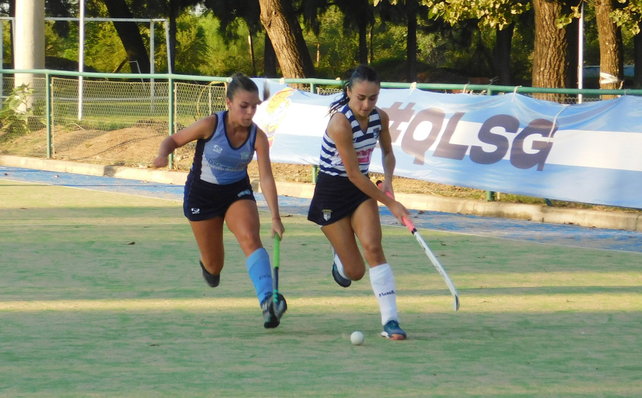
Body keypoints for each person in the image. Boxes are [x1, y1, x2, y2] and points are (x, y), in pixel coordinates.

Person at [153, 73, 287, 329]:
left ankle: (268, 300)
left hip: (236, 191)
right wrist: (162, 155)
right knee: (215, 266)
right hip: (202, 195)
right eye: (243, 106)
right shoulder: (210, 125)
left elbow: (267, 178)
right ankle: (209, 269)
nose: (249, 113)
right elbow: (173, 140)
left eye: (254, 107)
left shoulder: (257, 137)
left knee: (250, 236)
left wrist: (276, 217)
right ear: (228, 103)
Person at [307, 65, 411, 340]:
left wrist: (387, 180)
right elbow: (351, 173)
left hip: (361, 188)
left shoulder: (380, 119)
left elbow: (388, 153)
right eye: (361, 98)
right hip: (332, 191)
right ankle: (339, 256)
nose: (367, 104)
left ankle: (391, 322)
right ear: (349, 92)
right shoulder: (340, 123)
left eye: (373, 98)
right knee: (354, 272)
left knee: (374, 248)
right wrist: (391, 204)